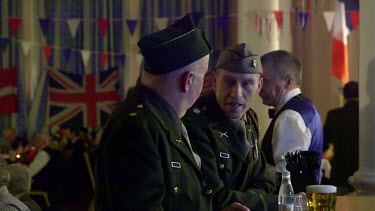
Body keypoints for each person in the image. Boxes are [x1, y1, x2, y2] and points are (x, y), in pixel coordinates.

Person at [94, 12, 248, 211]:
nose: (205, 85)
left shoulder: (162, 119)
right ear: (189, 80)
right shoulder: (137, 129)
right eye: (203, 78)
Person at [183, 43, 277, 210]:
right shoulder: (197, 123)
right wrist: (273, 203)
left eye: (247, 84)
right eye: (229, 82)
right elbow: (215, 197)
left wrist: (246, 200)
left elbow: (265, 180)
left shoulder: (250, 118)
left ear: (259, 86)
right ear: (214, 81)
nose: (236, 93)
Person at [259, 50, 323, 191]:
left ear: (288, 82)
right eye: (259, 80)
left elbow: (288, 180)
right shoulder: (305, 106)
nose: (259, 88)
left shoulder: (289, 117)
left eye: (265, 81)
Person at [324, 81, 359, 195]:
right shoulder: (367, 114)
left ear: (344, 95)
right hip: (363, 173)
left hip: (340, 174)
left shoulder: (334, 115)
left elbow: (323, 142)